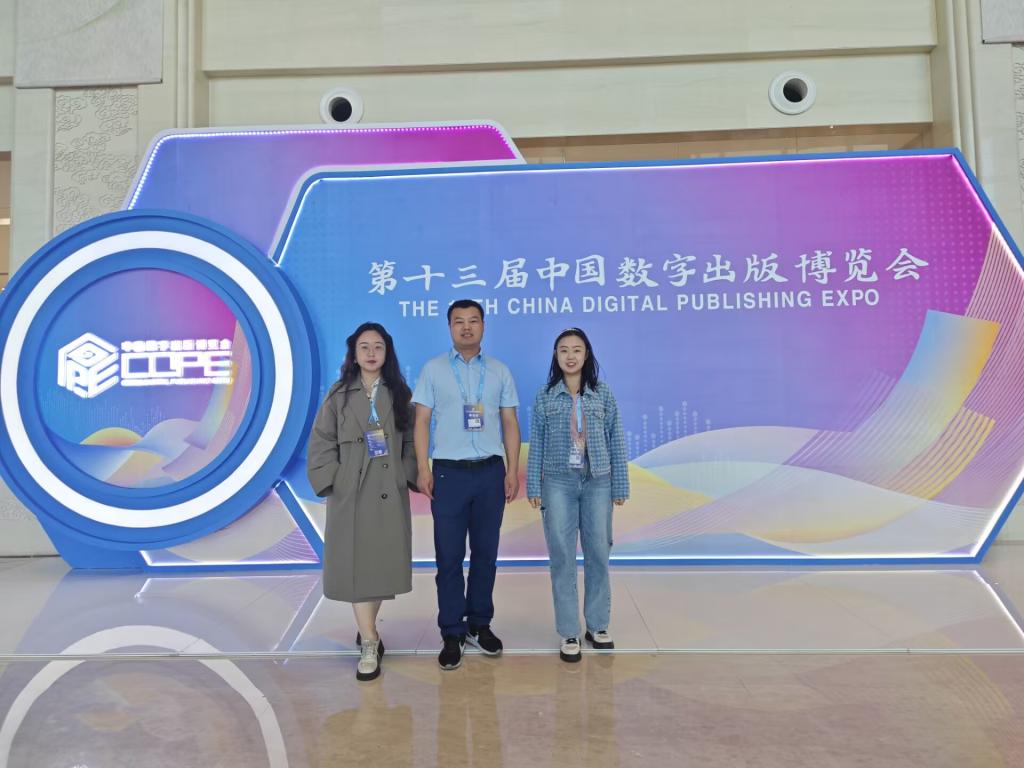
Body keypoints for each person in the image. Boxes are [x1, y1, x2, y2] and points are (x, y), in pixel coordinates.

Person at [413, 299, 521, 670]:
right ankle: (452, 631)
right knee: (448, 558)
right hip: (448, 473)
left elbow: (509, 422)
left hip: (490, 473)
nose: (466, 327)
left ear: (483, 326)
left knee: (486, 555)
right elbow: (421, 421)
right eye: (459, 321)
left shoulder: (500, 371)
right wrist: (423, 468)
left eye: (473, 320)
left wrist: (511, 470)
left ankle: (479, 624)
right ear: (449, 327)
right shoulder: (433, 370)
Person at [307, 321, 417, 681]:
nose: (371, 353)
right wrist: (335, 480)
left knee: (380, 564)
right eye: (364, 347)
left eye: (378, 347)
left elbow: (410, 441)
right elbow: (322, 440)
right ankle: (369, 640)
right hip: (351, 491)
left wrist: (405, 475)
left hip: (387, 489)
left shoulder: (400, 393)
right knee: (355, 565)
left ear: (387, 353)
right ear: (354, 354)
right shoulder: (339, 394)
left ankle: (367, 627)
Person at [527, 327, 629, 662]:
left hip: (598, 481)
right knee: (562, 557)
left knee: (598, 552)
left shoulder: (602, 393)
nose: (570, 356)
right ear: (555, 356)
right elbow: (537, 443)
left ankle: (597, 625)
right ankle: (569, 630)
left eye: (577, 350)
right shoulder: (545, 395)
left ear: (587, 355)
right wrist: (534, 485)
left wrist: (620, 485)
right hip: (558, 483)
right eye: (563, 350)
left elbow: (616, 438)